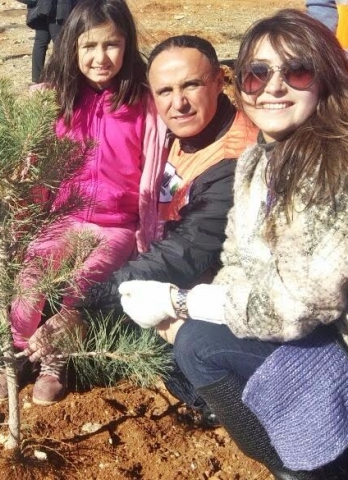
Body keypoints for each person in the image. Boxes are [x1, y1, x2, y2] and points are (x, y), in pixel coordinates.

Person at [119, 9, 348, 478]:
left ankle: (319, 463)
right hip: (303, 327)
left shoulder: (334, 164)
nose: (274, 87)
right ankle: (292, 465)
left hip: (333, 337)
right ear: (242, 82)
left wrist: (181, 302)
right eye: (259, 73)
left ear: (324, 77)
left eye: (297, 70)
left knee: (197, 344)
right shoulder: (259, 164)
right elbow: (238, 262)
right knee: (194, 342)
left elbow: (305, 300)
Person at [35, 35, 256, 418]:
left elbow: (185, 251)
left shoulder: (236, 158)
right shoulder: (171, 130)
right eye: (165, 91)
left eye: (191, 85)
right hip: (152, 262)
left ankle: (229, 404)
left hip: (212, 292)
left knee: (169, 351)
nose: (178, 102)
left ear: (220, 81)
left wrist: (87, 303)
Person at [0, 0, 165, 406]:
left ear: (127, 45)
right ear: (71, 47)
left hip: (115, 225)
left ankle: (55, 360)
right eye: (88, 46)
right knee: (30, 283)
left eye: (111, 45)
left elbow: (154, 168)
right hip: (60, 220)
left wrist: (147, 230)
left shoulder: (141, 103)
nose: (100, 57)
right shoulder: (55, 99)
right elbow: (28, 167)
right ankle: (15, 353)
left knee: (78, 286)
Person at [19, 0, 76, 83]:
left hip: (42, 8)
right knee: (59, 44)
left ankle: (37, 79)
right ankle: (63, 78)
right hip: (57, 10)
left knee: (41, 43)